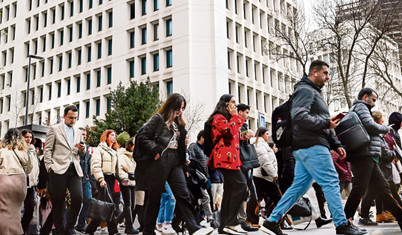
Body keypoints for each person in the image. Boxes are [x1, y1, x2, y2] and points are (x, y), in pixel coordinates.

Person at [262, 60, 366, 235]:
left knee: (300, 187)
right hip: (311, 144)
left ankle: (272, 221)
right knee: (331, 181)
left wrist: (336, 143)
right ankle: (342, 225)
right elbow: (300, 117)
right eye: (325, 73)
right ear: (314, 72)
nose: (327, 77)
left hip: (307, 146)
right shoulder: (305, 90)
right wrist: (326, 122)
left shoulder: (313, 92)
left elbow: (322, 122)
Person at [138, 93, 213, 235]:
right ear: (171, 105)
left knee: (183, 194)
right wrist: (156, 151)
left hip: (176, 161)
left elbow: (181, 147)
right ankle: (148, 230)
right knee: (154, 197)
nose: (180, 111)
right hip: (160, 160)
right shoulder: (158, 119)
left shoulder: (180, 124)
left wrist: (184, 165)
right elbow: (143, 137)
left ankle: (194, 227)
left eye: (183, 108)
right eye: (178, 107)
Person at [343, 88, 402, 231]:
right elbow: (369, 125)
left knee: (383, 189)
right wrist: (384, 128)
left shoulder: (361, 108)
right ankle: (344, 222)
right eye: (373, 99)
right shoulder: (361, 106)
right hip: (363, 155)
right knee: (359, 189)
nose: (374, 104)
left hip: (368, 155)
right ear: (365, 97)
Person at [206, 94, 248, 234]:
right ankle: (231, 222)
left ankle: (223, 225)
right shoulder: (219, 118)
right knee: (241, 185)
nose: (235, 105)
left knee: (230, 190)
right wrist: (237, 117)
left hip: (231, 160)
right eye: (233, 102)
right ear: (226, 104)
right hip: (225, 160)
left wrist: (242, 136)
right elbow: (229, 132)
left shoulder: (227, 119)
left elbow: (231, 137)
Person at [44, 105, 85, 235]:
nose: (73, 120)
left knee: (78, 197)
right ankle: (60, 230)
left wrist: (81, 149)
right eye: (71, 117)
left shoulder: (78, 132)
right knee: (58, 202)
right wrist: (49, 167)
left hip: (74, 169)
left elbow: (82, 153)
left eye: (75, 118)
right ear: (64, 116)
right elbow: (48, 150)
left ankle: (70, 226)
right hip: (58, 169)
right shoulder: (54, 129)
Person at [359, 111, 398, 225]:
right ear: (375, 122)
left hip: (377, 164)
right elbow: (383, 151)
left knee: (372, 191)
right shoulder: (376, 134)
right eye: (381, 121)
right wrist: (394, 153)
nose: (383, 124)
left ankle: (365, 215)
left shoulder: (376, 133)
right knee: (380, 190)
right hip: (378, 164)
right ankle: (362, 215)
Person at [86, 129, 120, 235]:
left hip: (112, 179)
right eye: (112, 135)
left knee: (106, 206)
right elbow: (95, 165)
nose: (114, 137)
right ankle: (113, 231)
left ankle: (90, 229)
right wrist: (100, 179)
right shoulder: (99, 149)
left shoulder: (114, 151)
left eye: (115, 135)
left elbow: (117, 168)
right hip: (103, 179)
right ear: (106, 136)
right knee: (108, 204)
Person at [0, 128, 33, 234]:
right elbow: (29, 169)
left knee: (4, 211)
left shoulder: (2, 150)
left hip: (4, 181)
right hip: (20, 182)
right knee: (16, 212)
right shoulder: (24, 151)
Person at [236, 103, 259, 232]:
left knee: (245, 191)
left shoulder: (243, 125)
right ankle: (240, 219)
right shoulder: (236, 124)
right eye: (246, 112)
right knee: (241, 190)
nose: (248, 115)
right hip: (239, 162)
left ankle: (242, 219)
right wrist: (243, 135)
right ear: (240, 112)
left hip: (245, 163)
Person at [188, 130, 214, 221]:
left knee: (205, 197)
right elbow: (191, 161)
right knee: (204, 197)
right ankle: (209, 217)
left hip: (204, 177)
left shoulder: (204, 149)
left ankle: (202, 217)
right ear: (202, 138)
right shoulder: (194, 146)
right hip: (197, 177)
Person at [116, 135, 139, 234]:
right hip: (125, 181)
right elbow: (120, 170)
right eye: (134, 145)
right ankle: (129, 227)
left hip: (133, 182)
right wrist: (127, 179)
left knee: (133, 205)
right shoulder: (122, 154)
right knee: (128, 204)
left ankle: (117, 220)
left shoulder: (135, 156)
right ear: (129, 145)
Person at [20, 129, 40, 234]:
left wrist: (36, 181)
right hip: (20, 184)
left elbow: (36, 168)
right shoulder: (18, 150)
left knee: (30, 210)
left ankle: (22, 231)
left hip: (31, 185)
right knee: (18, 211)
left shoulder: (33, 151)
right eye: (26, 137)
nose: (29, 139)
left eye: (30, 137)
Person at [75, 127, 93, 233]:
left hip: (85, 179)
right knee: (74, 202)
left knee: (89, 201)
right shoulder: (74, 147)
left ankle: (81, 224)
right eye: (82, 134)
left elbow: (88, 164)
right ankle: (69, 224)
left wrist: (90, 179)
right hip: (76, 177)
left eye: (85, 134)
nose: (84, 136)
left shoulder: (87, 148)